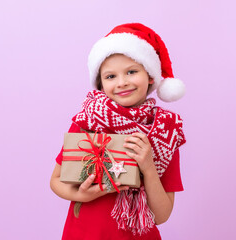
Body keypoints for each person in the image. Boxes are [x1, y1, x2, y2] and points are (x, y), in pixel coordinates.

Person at [50, 23, 186, 240]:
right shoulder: (89, 120)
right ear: (101, 84)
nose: (122, 83)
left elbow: (161, 215)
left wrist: (148, 167)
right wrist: (81, 195)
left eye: (131, 71)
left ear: (150, 75)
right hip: (84, 234)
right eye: (111, 76)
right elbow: (55, 180)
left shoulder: (165, 131)